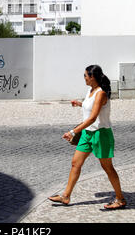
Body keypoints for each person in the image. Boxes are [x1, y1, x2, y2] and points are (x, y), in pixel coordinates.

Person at [48, 64, 127, 209]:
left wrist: (73, 132)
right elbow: (89, 106)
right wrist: (80, 104)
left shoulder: (101, 93)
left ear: (92, 77)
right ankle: (66, 196)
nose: (84, 78)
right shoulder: (90, 91)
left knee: (107, 167)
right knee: (75, 163)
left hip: (100, 134)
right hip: (87, 134)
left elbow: (92, 118)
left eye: (85, 75)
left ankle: (120, 199)